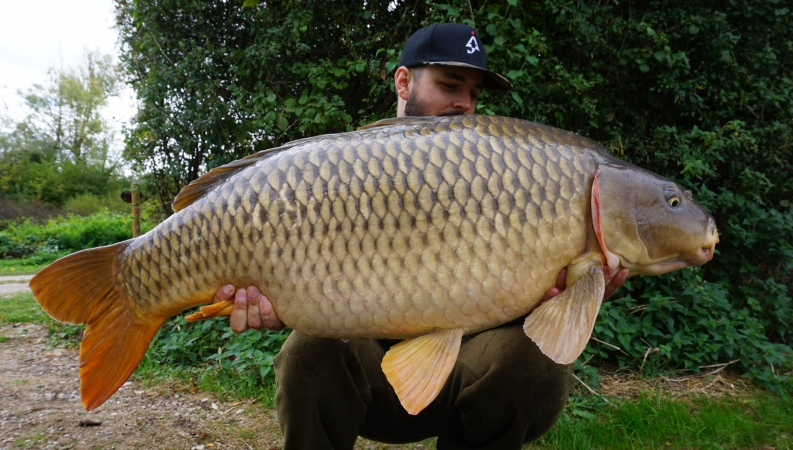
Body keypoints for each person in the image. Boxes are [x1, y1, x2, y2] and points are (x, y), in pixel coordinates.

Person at [213, 23, 629, 449]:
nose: (464, 104)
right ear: (403, 81)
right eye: (450, 85)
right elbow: (287, 279)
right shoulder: (342, 170)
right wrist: (269, 298)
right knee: (307, 353)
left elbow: (537, 309)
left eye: (474, 94)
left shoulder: (497, 172)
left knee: (538, 362)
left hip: (467, 371)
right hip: (367, 371)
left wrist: (578, 291)